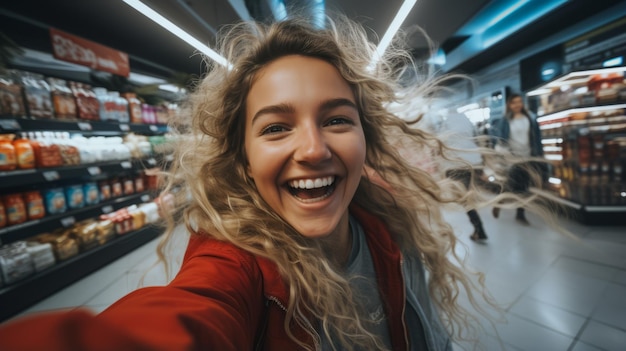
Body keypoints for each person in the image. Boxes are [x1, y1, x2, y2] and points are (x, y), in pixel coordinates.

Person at [0, 15, 502, 351]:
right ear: (242, 159)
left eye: (337, 120)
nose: (312, 149)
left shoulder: (385, 222)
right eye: (276, 128)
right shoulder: (235, 268)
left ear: (365, 138)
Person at [489, 93, 545, 225]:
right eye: (514, 102)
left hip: (527, 157)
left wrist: (539, 155)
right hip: (511, 158)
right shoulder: (505, 120)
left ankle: (518, 212)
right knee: (514, 184)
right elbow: (500, 140)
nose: (517, 105)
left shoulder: (530, 119)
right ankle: (503, 202)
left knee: (523, 186)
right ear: (509, 105)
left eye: (519, 102)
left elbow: (536, 138)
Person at [438, 112, 488, 241]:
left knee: (463, 198)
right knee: (465, 196)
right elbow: (476, 141)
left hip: (454, 164)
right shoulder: (467, 123)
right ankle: (478, 227)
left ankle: (479, 228)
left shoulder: (446, 124)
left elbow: (441, 143)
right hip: (469, 162)